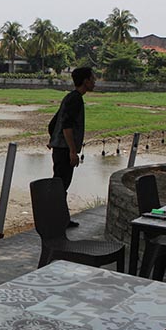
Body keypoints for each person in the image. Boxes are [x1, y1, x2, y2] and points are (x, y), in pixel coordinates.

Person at [48, 67, 95, 228]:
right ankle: (57, 220)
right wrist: (72, 151)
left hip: (60, 148)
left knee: (60, 185)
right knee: (61, 186)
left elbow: (53, 124)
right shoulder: (75, 99)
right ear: (86, 81)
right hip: (64, 150)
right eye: (92, 78)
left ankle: (60, 219)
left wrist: (52, 139)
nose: (94, 81)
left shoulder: (70, 97)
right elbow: (66, 127)